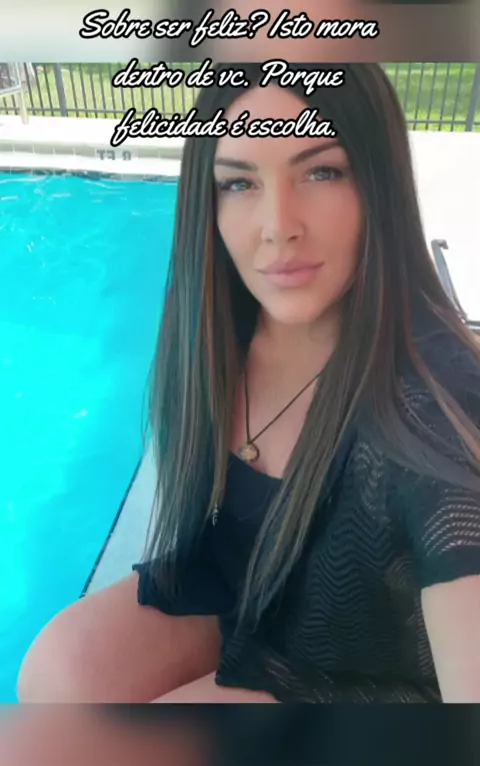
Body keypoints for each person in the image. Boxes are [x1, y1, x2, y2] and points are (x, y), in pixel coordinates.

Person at [17, 63, 480, 703]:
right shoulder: (219, 335)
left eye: (322, 171)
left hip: (359, 675)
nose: (277, 225)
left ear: (380, 183)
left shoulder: (434, 410)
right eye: (239, 182)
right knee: (57, 674)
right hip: (239, 594)